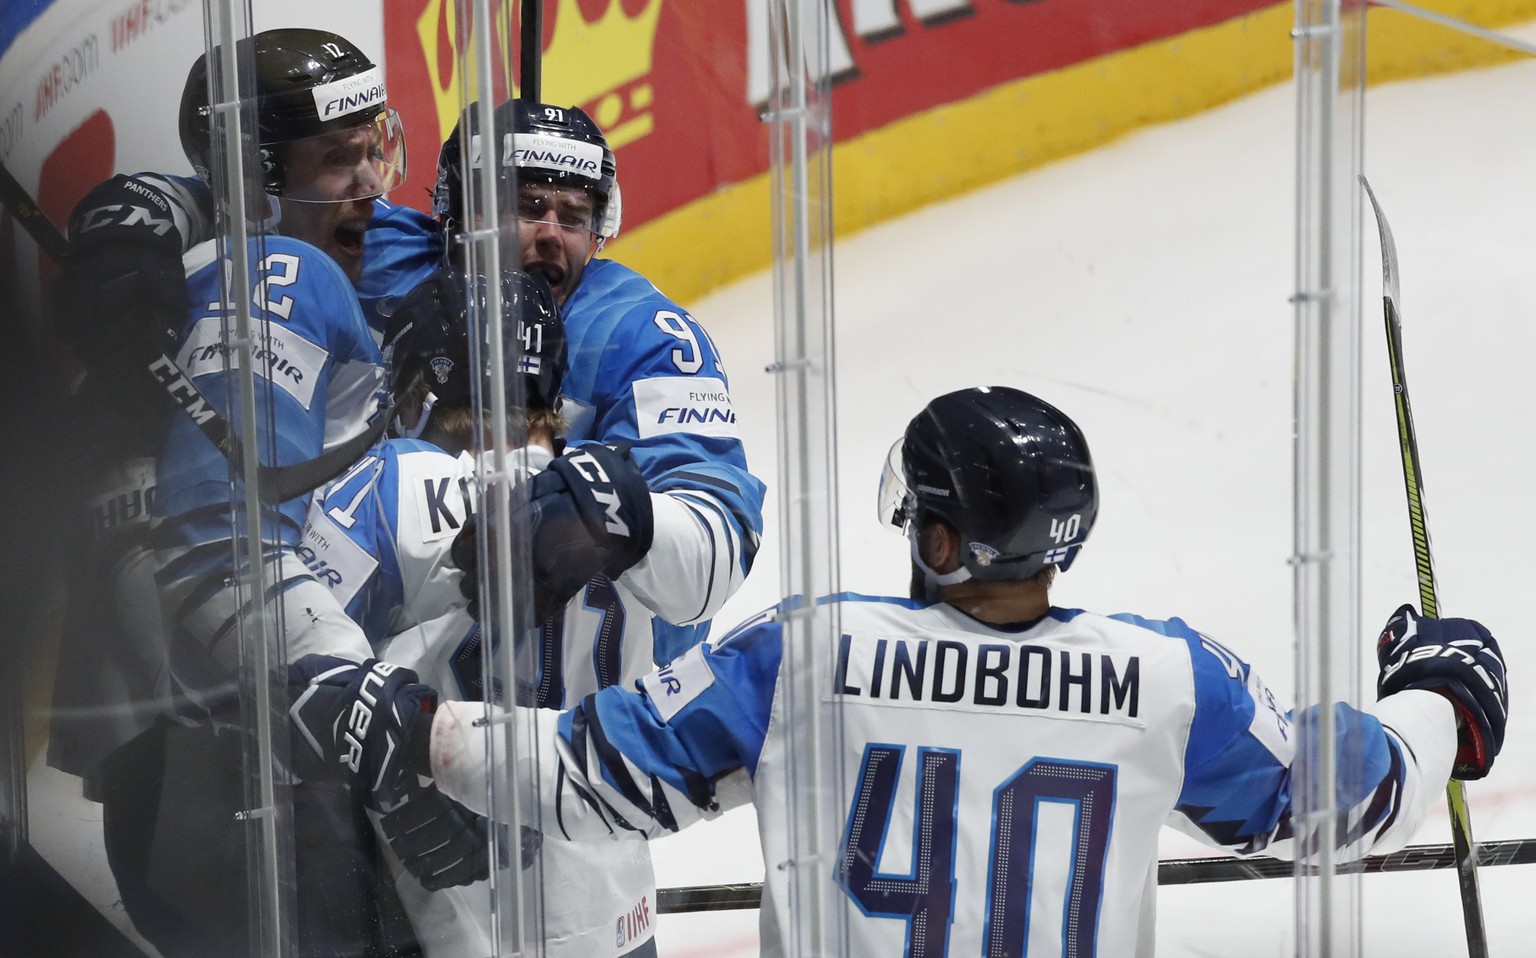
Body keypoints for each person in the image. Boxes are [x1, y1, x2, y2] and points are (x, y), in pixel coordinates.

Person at [410, 386, 1508, 957]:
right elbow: (1339, 791)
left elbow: (573, 776)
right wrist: (1438, 701)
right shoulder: (1167, 677)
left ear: (941, 544)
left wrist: (405, 722)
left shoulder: (807, 654)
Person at [57, 95, 765, 678]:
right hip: (404, 593)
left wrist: (611, 512)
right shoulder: (395, 253)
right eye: (526, 207)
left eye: (575, 218)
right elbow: (242, 204)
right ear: (454, 216)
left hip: (575, 667)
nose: (552, 237)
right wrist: (138, 216)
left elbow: (718, 552)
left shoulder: (642, 333)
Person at [74, 30, 453, 958]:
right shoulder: (258, 273)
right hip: (225, 782)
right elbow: (213, 552)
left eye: (379, 146)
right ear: (253, 180)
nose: (372, 182)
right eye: (337, 159)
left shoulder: (380, 245)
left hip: (317, 742)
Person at [296, 266, 661, 956]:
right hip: (618, 911)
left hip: (460, 913)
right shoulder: (625, 501)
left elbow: (298, 677)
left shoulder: (388, 485)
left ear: (414, 391)